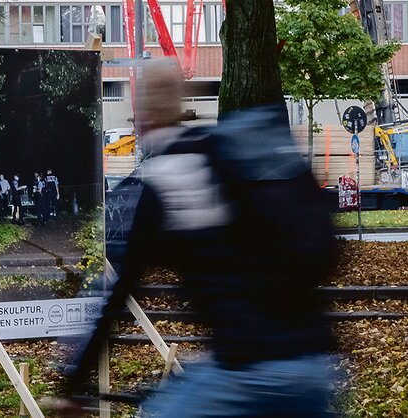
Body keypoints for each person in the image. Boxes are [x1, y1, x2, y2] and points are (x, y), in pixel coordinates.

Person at [60, 59, 337, 418]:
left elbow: (119, 294)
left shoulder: (161, 178)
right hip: (313, 364)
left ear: (142, 116)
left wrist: (75, 385)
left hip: (245, 370)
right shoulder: (227, 154)